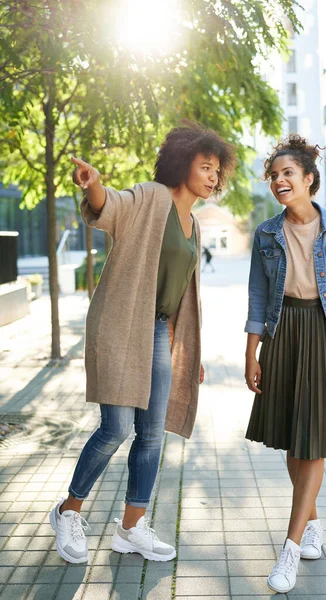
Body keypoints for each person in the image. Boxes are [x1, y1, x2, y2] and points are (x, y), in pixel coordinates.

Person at [49, 122, 236, 564]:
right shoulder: (152, 197)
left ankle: (132, 527)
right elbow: (111, 207)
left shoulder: (194, 226)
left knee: (151, 434)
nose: (212, 176)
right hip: (120, 325)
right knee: (116, 428)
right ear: (181, 162)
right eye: (204, 166)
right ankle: (67, 511)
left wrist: (190, 355)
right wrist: (95, 185)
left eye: (217, 170)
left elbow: (181, 297)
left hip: (157, 332)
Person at [244, 135, 326, 594]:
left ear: (309, 179)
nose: (279, 180)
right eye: (274, 175)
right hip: (283, 334)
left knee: (312, 441)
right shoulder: (266, 233)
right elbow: (258, 295)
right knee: (294, 442)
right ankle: (313, 524)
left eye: (288, 173)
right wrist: (251, 351)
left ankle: (291, 546)